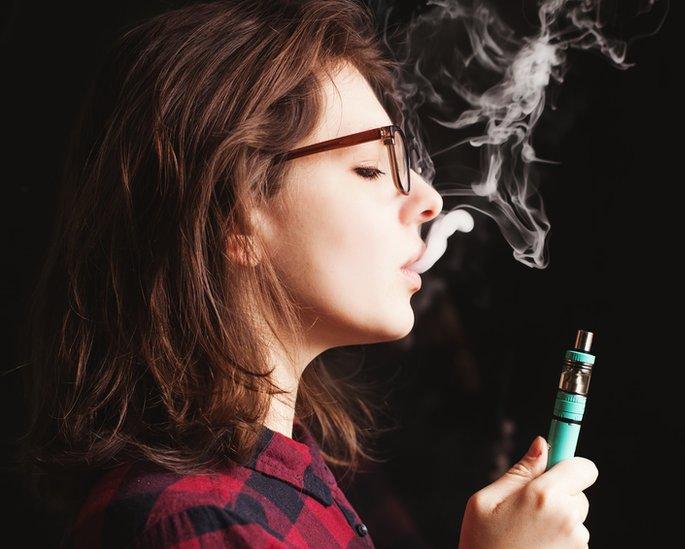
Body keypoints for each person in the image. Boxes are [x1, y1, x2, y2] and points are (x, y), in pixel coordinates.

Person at [16, 1, 597, 547]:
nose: (428, 200)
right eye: (370, 169)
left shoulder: (299, 481)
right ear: (234, 215)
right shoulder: (198, 523)